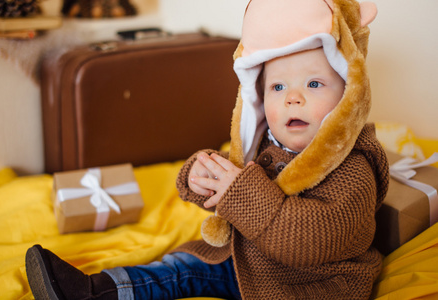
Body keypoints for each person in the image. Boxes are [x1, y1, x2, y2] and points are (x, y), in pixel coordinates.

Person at [25, 0, 390, 299]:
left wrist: (239, 192)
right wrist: (201, 178)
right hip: (247, 261)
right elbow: (233, 187)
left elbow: (310, 241)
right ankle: (94, 290)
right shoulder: (265, 144)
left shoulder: (353, 171)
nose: (293, 98)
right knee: (176, 268)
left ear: (347, 95)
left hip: (305, 286)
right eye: (278, 87)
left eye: (313, 83)